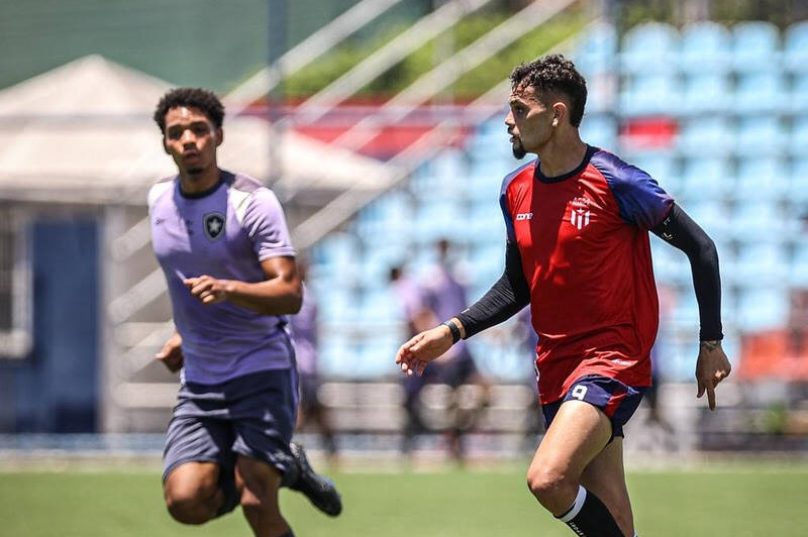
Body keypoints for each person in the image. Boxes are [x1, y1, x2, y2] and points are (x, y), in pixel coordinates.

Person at [396, 55, 731, 537]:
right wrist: (451, 332)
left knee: (548, 478)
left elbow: (702, 248)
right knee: (612, 515)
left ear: (556, 113)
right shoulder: (515, 191)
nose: (508, 121)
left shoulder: (617, 181)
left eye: (518, 108)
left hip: (611, 360)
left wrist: (711, 342)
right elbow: (518, 284)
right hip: (555, 364)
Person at [149, 87, 341, 537]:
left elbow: (290, 293)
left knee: (257, 499)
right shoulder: (158, 200)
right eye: (177, 133)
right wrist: (185, 336)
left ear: (218, 135)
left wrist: (230, 290)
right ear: (165, 142)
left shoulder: (252, 201)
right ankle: (286, 466)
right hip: (200, 378)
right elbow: (187, 282)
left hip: (260, 367)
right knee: (186, 502)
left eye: (199, 129)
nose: (189, 140)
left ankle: (266, 469)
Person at [420, 239, 491, 463]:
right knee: (451, 399)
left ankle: (459, 436)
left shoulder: (460, 275)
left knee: (483, 392)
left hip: (463, 346)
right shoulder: (432, 279)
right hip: (447, 348)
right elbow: (424, 313)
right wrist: (435, 342)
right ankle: (453, 444)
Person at [289, 260, 338, 462]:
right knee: (312, 407)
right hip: (309, 361)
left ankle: (284, 445)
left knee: (301, 408)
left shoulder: (291, 297)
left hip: (296, 360)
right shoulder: (310, 297)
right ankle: (332, 449)